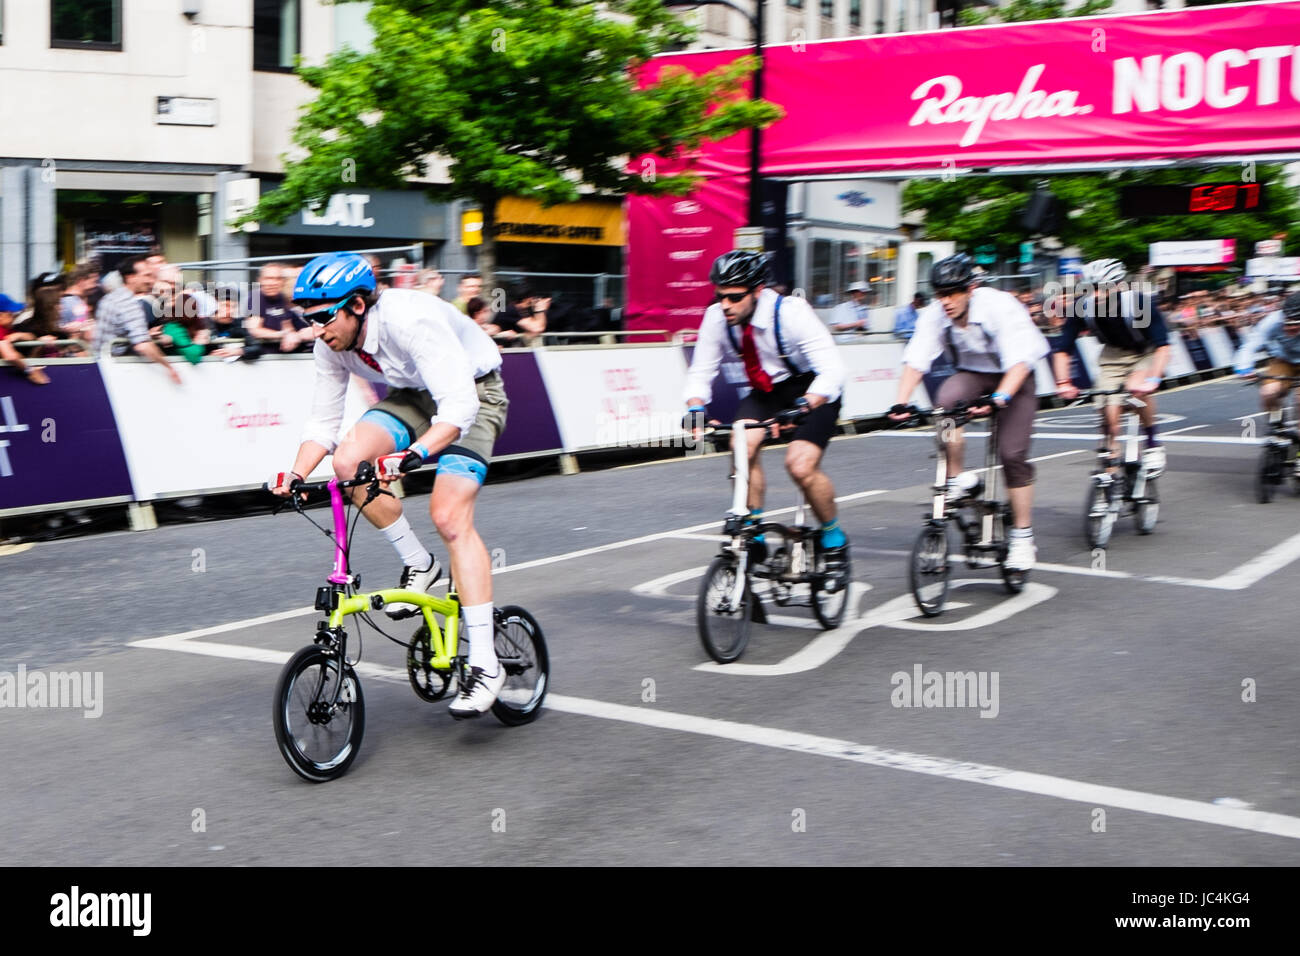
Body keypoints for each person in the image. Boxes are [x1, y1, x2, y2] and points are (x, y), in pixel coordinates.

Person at [270, 253, 510, 718]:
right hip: (415, 396)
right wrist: (295, 473)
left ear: (357, 305)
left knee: (448, 515)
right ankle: (419, 563)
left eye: (323, 317)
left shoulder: (410, 319)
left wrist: (413, 454)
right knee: (346, 462)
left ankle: (485, 662)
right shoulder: (331, 344)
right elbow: (323, 423)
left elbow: (458, 408)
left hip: (475, 394)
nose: (316, 329)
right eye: (308, 319)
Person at [683, 250, 850, 580]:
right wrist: (694, 409)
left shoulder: (791, 313)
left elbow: (833, 371)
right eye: (720, 297)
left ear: (758, 290)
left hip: (812, 388)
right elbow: (700, 371)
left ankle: (833, 536)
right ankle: (753, 529)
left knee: (799, 466)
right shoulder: (718, 317)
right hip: (767, 390)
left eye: (734, 297)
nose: (725, 305)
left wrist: (805, 405)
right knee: (740, 444)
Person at [888, 253, 1049, 572]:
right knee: (945, 401)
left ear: (970, 289)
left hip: (1015, 375)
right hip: (973, 373)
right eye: (939, 294)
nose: (945, 301)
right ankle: (959, 477)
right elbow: (916, 358)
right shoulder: (935, 314)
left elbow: (1019, 361)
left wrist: (1000, 397)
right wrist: (900, 401)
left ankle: (1022, 537)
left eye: (952, 293)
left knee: (1012, 454)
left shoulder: (1000, 306)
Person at [1053, 259, 1170, 477]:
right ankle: (1111, 465)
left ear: (1117, 286)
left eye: (1099, 289)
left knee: (1136, 388)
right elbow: (1062, 349)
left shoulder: (1139, 304)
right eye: (1088, 289)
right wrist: (1063, 382)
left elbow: (1163, 347)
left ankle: (1153, 443)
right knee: (1108, 407)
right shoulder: (1081, 307)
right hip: (1113, 353)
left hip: (1145, 351)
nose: (1094, 294)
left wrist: (1153, 379)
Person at [91, 254, 183, 384]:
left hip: (101, 367)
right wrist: (169, 367)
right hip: (118, 371)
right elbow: (142, 345)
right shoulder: (129, 303)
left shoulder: (110, 298)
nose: (151, 281)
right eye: (146, 276)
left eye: (152, 276)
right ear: (130, 277)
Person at [1235, 291, 1300, 437]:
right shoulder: (1272, 321)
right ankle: (1277, 423)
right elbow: (1251, 344)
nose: (1289, 328)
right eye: (1287, 322)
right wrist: (1244, 367)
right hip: (1284, 360)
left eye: (1295, 324)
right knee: (1269, 392)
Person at [245, 262, 307, 352]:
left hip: (287, 354)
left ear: (283, 281)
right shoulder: (254, 297)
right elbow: (255, 330)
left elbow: (288, 325)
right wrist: (283, 335)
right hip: (264, 356)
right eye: (268, 278)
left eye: (277, 279)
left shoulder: (284, 298)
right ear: (260, 280)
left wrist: (292, 335)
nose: (272, 283)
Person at [0, 294, 49, 384]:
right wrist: (31, 371)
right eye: (11, 314)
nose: (14, 317)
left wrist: (19, 335)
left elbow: (32, 337)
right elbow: (10, 356)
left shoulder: (7, 329)